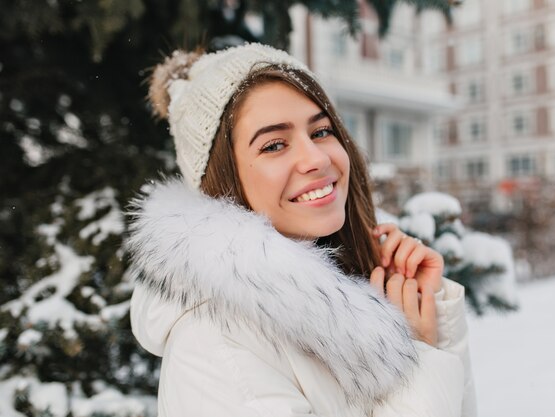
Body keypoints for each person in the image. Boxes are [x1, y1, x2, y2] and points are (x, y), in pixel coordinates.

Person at [128, 43, 476, 417]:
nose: (316, 158)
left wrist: (425, 312)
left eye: (322, 131)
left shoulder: (353, 296)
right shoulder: (216, 346)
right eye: (274, 145)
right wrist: (419, 357)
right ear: (222, 183)